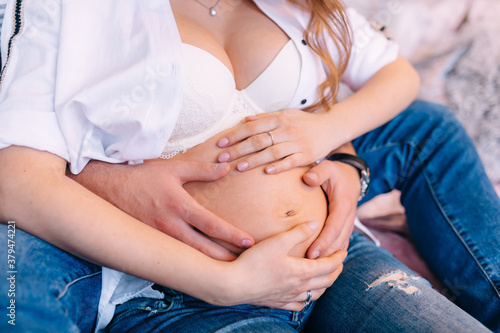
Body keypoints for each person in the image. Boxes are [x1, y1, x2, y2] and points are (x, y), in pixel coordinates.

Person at [0, 1, 498, 332]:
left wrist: (336, 147)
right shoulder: (73, 8)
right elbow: (17, 180)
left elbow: (386, 78)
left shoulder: (296, 6)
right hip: (192, 290)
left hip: (333, 260)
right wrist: (225, 284)